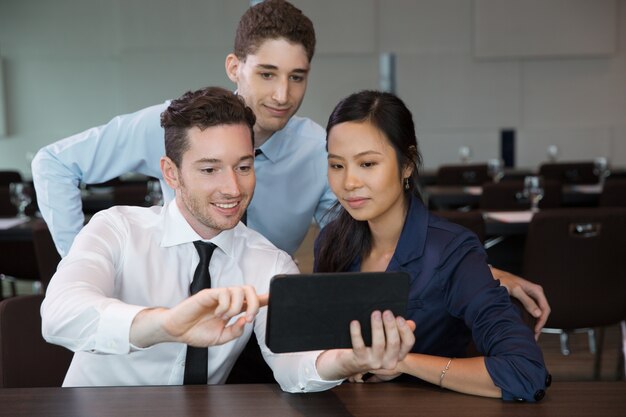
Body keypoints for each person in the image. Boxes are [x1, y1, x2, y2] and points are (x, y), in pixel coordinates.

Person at [31, 0, 548, 334]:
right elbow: (52, 162)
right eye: (268, 74)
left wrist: (476, 270)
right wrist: (85, 271)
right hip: (163, 325)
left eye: (298, 77)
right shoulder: (176, 123)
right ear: (236, 68)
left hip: (263, 324)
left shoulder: (315, 148)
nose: (283, 95)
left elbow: (360, 228)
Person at [41, 86, 414, 389]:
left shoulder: (269, 262)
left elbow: (293, 366)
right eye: (209, 169)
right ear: (171, 174)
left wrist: (347, 360)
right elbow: (59, 315)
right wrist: (168, 324)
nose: (232, 188)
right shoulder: (117, 229)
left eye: (243, 166)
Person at [314, 90, 550, 402]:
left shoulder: (453, 251)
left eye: (368, 163)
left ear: (407, 164)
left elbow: (525, 372)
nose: (349, 183)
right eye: (337, 165)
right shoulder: (331, 241)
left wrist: (401, 362)